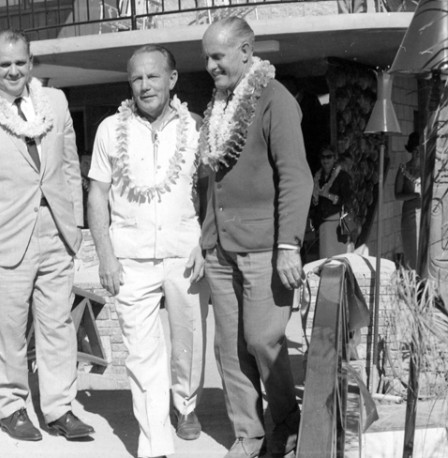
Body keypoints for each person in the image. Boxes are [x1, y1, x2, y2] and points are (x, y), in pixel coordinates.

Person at [0, 29, 94, 442]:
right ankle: (10, 405)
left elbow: (67, 168)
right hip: (1, 242)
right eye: (4, 64)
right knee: (7, 330)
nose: (13, 71)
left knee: (58, 324)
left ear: (31, 63)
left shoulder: (57, 103)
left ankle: (59, 408)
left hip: (55, 237)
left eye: (20, 63)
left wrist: (75, 227)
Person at [87, 44, 208, 458]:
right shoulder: (109, 130)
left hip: (184, 252)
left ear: (172, 80)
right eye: (137, 78)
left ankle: (186, 405)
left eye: (153, 76)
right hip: (130, 258)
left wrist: (205, 244)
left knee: (187, 340)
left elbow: (213, 190)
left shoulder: (195, 128)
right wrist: (104, 253)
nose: (145, 85)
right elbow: (96, 194)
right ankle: (156, 444)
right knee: (142, 354)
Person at [200, 18, 313, 458]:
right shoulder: (220, 103)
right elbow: (213, 181)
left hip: (265, 247)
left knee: (263, 340)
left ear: (246, 51)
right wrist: (205, 236)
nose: (210, 66)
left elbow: (295, 176)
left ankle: (286, 424)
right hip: (219, 247)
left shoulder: (275, 98)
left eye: (217, 56)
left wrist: (290, 244)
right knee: (229, 349)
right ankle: (248, 435)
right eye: (206, 57)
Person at [311, 146, 353, 259]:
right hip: (323, 223)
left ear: (335, 158)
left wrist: (329, 196)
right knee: (325, 259)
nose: (325, 160)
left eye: (329, 156)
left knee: (339, 259)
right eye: (323, 157)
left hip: (337, 225)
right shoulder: (317, 177)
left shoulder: (343, 177)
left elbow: (348, 200)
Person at [394, 131, 421, 269]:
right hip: (410, 214)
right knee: (413, 251)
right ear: (411, 149)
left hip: (426, 214)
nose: (418, 152)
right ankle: (413, 284)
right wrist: (415, 195)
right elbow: (397, 195)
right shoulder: (404, 168)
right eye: (415, 149)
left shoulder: (427, 169)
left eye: (420, 148)